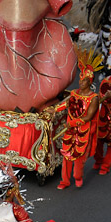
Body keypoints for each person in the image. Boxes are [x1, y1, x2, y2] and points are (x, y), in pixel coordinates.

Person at [53, 46, 101, 190]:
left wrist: (72, 123)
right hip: (70, 130)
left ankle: (78, 177)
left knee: (79, 158)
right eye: (80, 80)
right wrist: (53, 110)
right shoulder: (74, 93)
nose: (80, 82)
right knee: (67, 156)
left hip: (83, 132)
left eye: (84, 81)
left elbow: (88, 117)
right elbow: (65, 104)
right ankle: (65, 181)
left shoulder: (94, 98)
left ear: (90, 82)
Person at [93, 75, 111, 175]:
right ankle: (98, 160)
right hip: (103, 118)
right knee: (98, 141)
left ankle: (105, 166)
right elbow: (101, 95)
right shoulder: (106, 81)